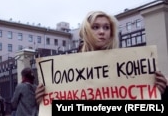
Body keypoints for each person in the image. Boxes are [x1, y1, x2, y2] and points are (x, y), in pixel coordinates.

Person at [35, 10, 168, 104]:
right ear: (87, 31)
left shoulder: (127, 65)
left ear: (111, 32)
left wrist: (160, 93)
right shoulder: (68, 70)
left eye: (106, 27)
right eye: (95, 27)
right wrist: (43, 101)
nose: (102, 31)